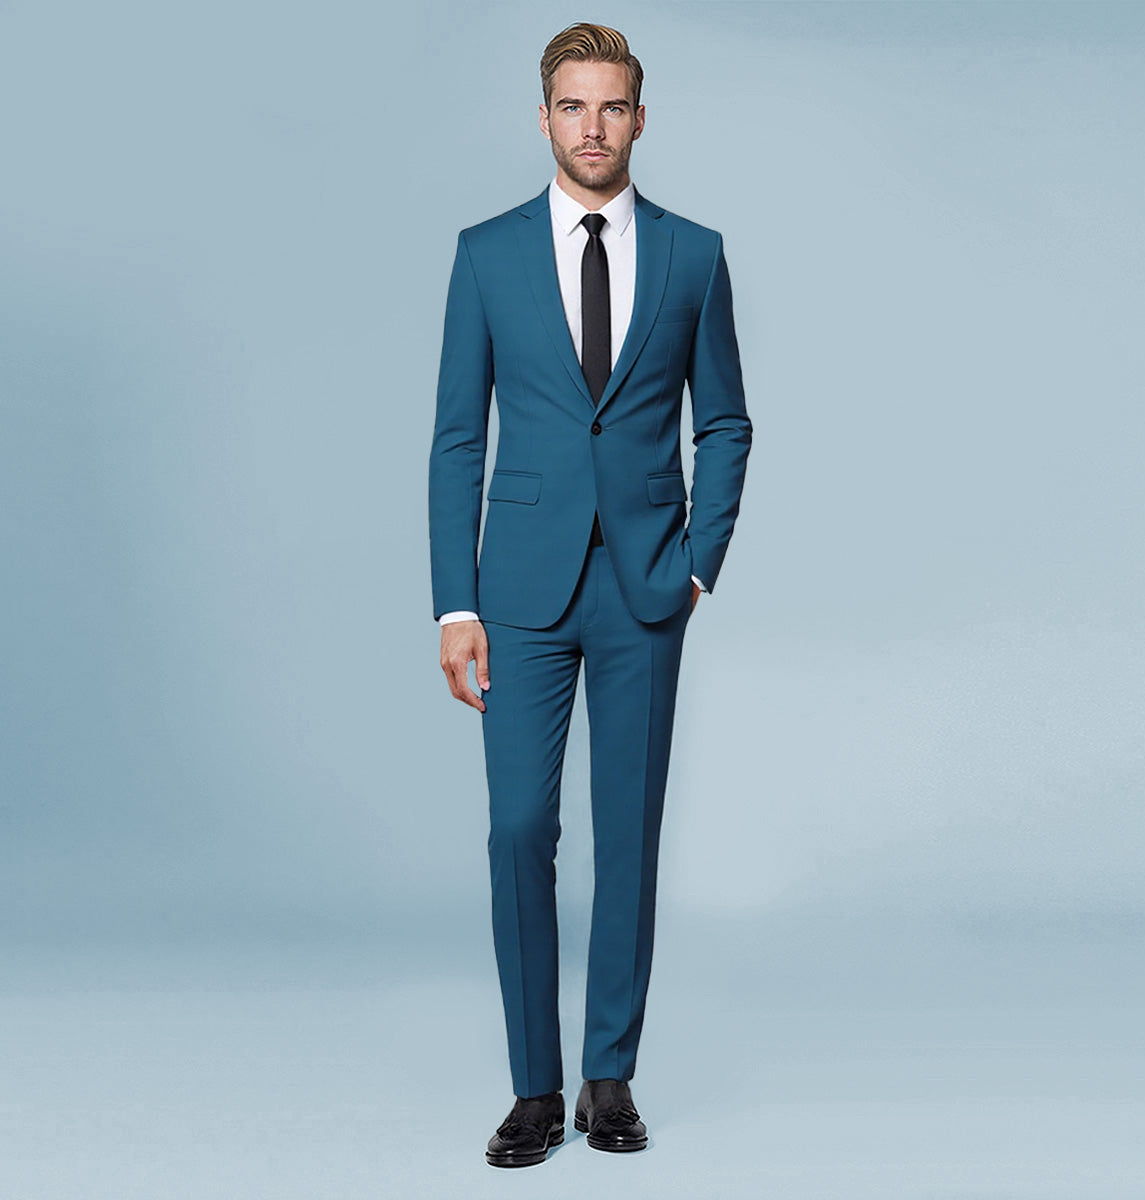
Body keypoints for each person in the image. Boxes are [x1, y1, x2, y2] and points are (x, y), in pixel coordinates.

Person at [428, 20, 752, 1168]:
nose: (594, 126)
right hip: (518, 590)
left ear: (640, 119)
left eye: (613, 106)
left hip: (644, 588)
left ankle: (609, 1077)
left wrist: (698, 561)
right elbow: (457, 438)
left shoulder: (694, 255)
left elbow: (725, 421)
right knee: (520, 827)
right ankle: (535, 1086)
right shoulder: (487, 254)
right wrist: (454, 604)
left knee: (629, 835)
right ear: (544, 117)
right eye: (574, 105)